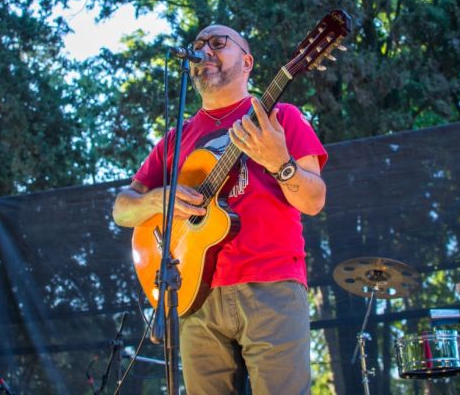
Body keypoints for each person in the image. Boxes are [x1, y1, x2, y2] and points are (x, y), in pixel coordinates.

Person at [112, 24, 328, 394]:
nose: (204, 50)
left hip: (271, 285)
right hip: (195, 295)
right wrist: (157, 200)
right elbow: (122, 209)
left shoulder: (282, 117)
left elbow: (314, 201)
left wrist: (281, 163)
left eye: (217, 42)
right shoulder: (174, 141)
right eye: (198, 44)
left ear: (247, 62)